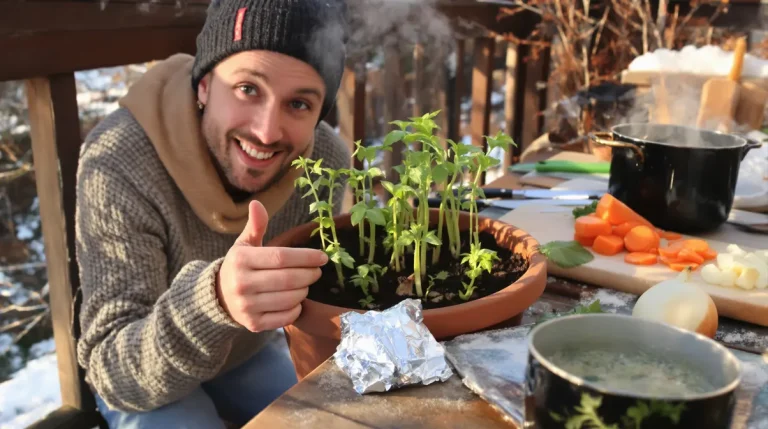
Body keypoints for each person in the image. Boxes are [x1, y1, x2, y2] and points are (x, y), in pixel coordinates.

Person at [74, 0, 350, 427]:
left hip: (246, 354)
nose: (266, 131)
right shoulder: (119, 160)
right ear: (203, 86)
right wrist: (215, 301)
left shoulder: (324, 160)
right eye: (248, 89)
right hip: (143, 380)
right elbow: (113, 372)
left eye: (299, 104)